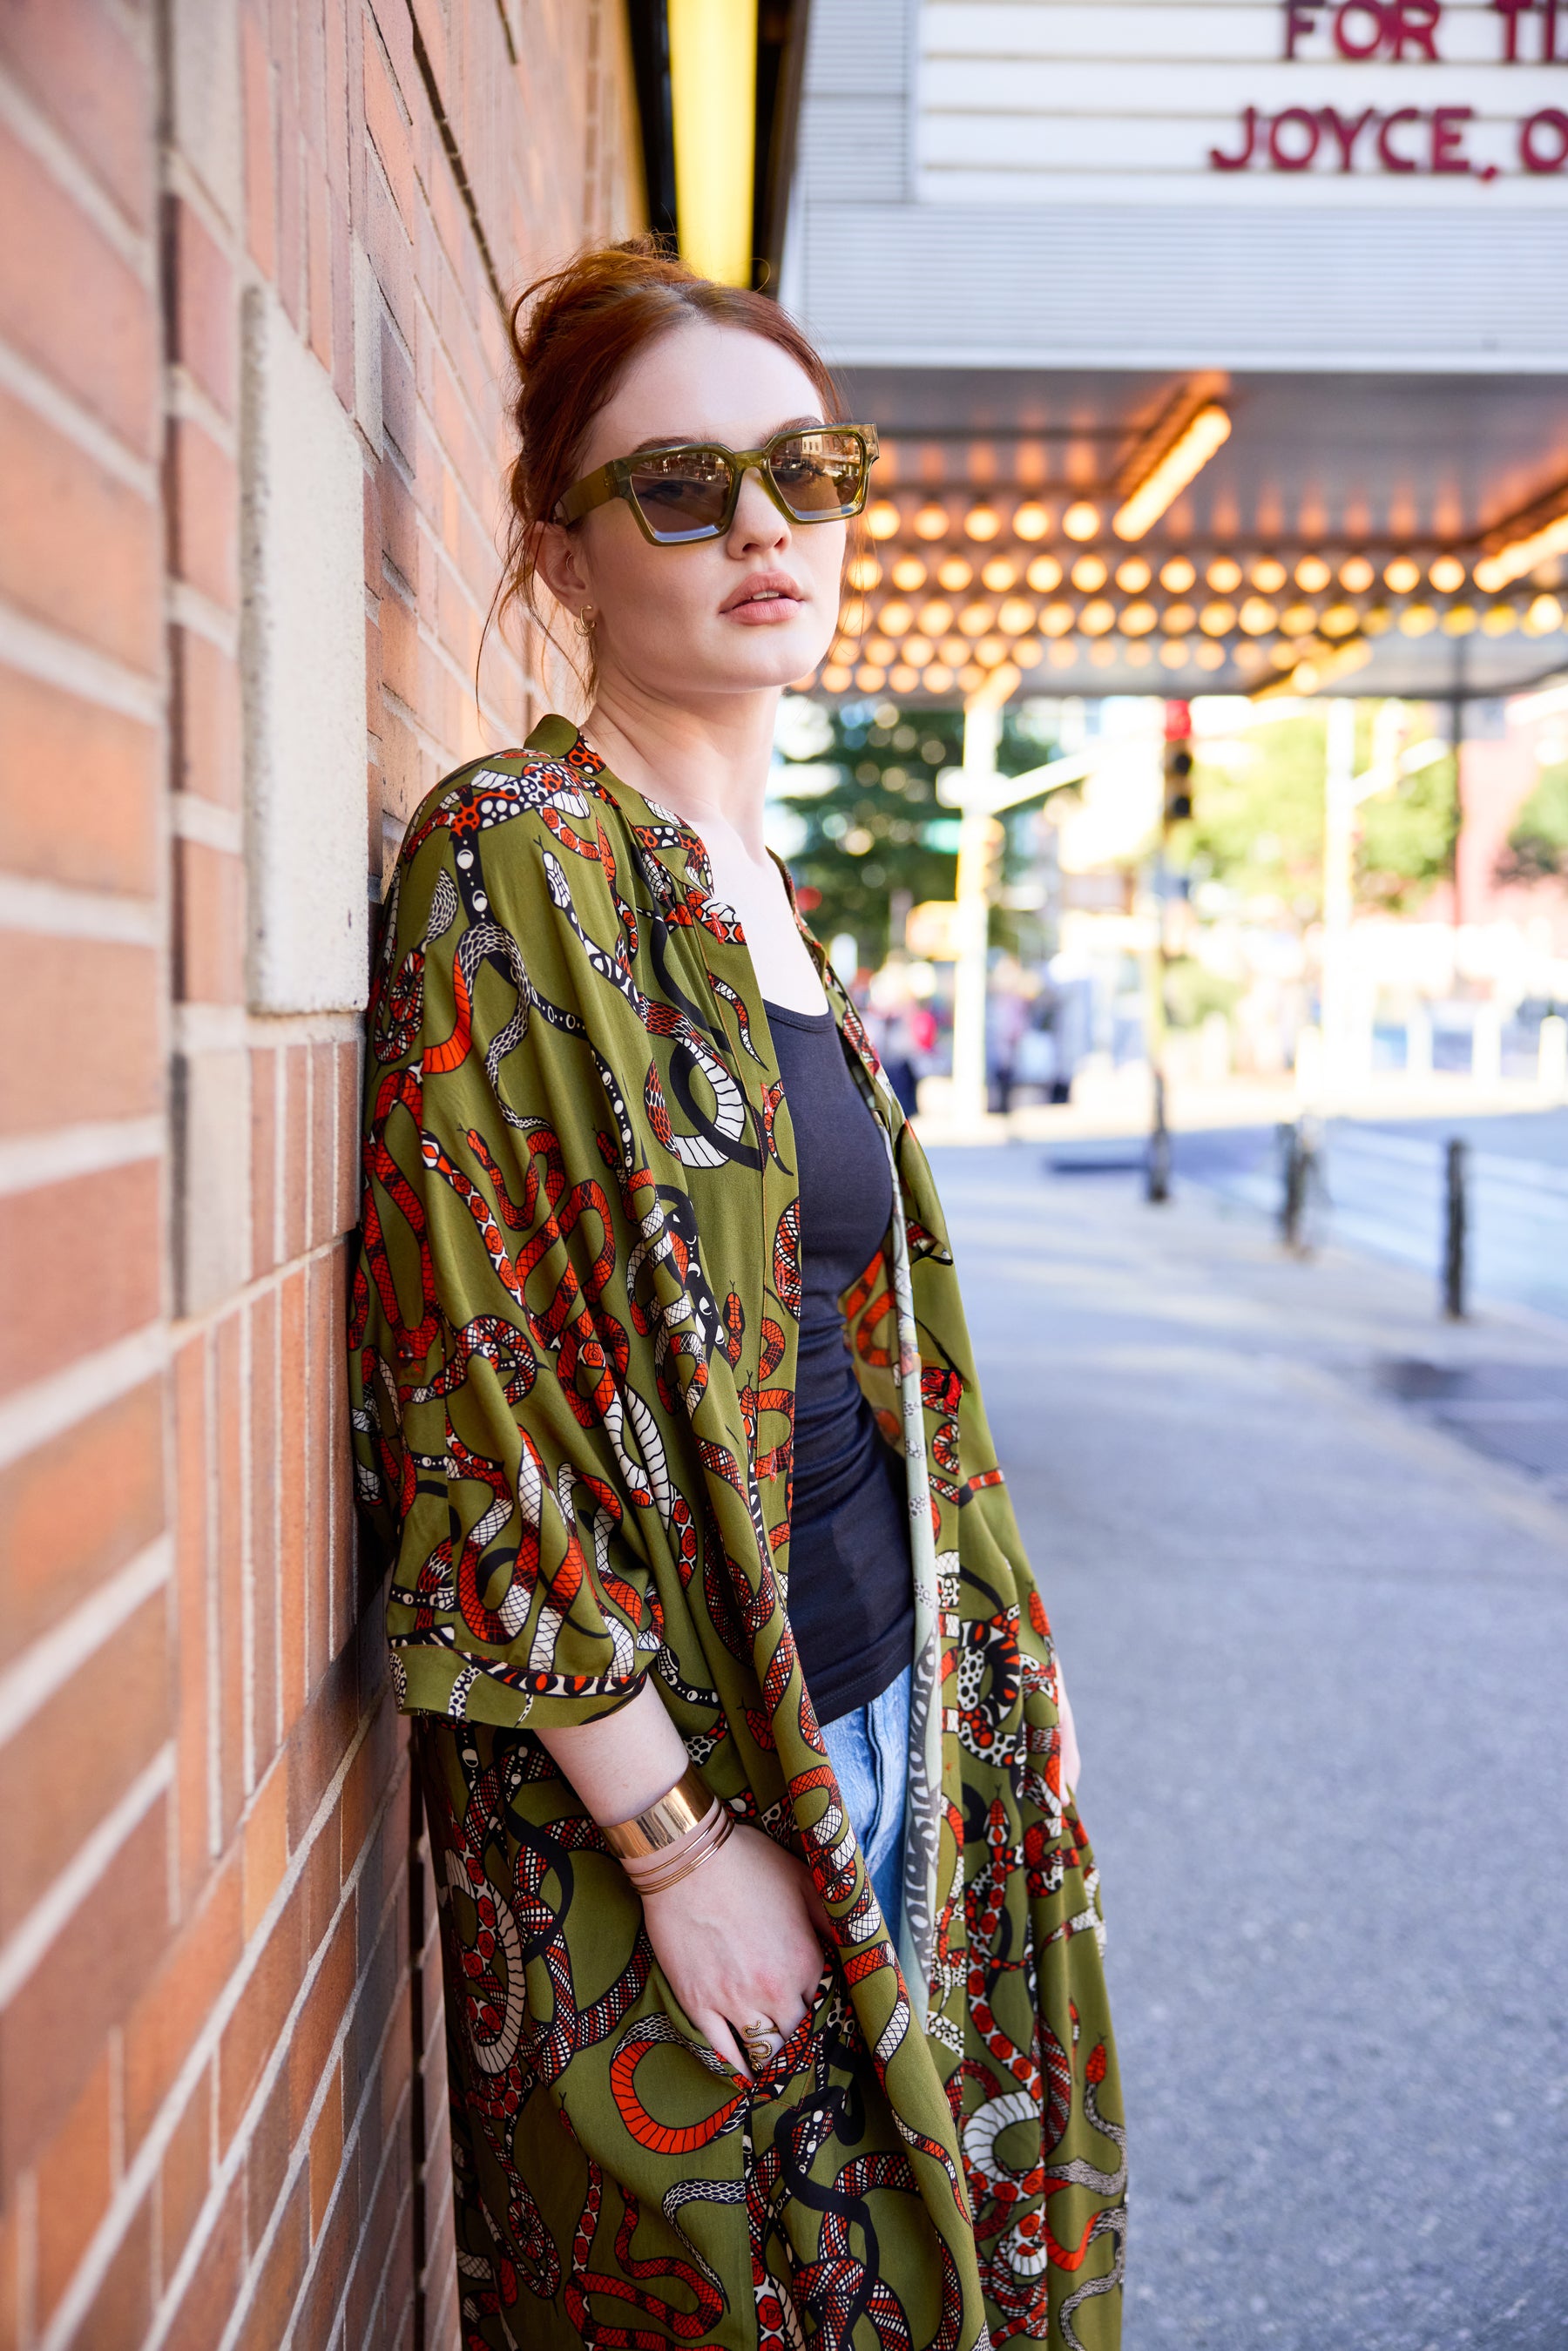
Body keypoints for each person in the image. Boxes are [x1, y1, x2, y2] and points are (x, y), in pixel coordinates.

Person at [350, 238, 1125, 2351]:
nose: (765, 526)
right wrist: (680, 1848)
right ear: (565, 554)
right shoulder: (520, 854)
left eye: (808, 468)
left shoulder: (766, 897)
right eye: (683, 487)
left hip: (900, 1708)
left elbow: (867, 1356)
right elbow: (472, 1399)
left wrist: (997, 1665)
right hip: (686, 1770)